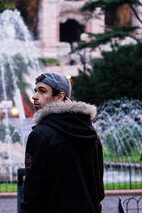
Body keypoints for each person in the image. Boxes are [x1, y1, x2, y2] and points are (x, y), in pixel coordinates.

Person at [19, 72, 104, 213]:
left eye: (42, 91)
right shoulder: (92, 134)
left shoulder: (41, 135)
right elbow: (99, 191)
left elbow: (33, 193)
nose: (34, 96)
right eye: (35, 91)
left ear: (59, 96)